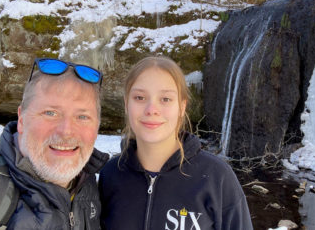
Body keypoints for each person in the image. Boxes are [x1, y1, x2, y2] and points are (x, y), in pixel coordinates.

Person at [99, 56, 253, 230]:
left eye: (165, 99)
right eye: (140, 98)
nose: (151, 110)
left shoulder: (217, 177)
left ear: (182, 107)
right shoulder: (110, 175)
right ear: (127, 104)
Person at [0, 58, 109, 229]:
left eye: (82, 116)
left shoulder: (94, 190)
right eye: (50, 113)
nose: (66, 131)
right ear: (22, 119)